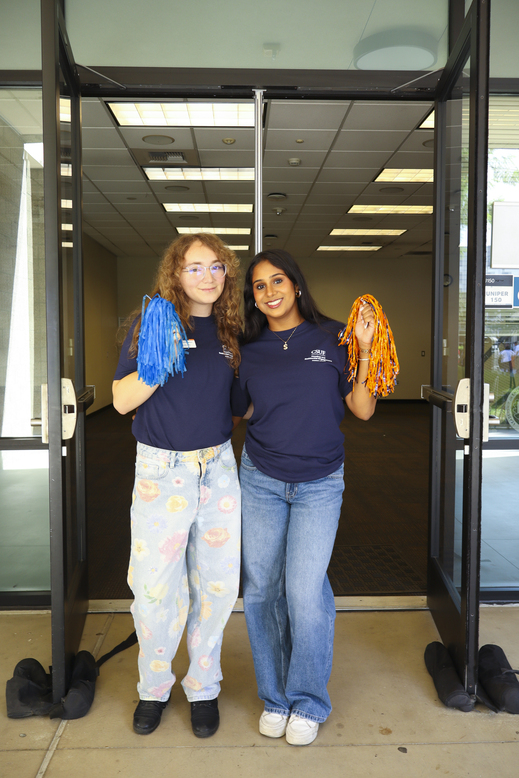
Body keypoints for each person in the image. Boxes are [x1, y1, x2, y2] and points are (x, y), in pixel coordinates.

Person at [232, 249, 377, 746]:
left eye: (278, 281)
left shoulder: (335, 336)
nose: (269, 292)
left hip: (319, 483)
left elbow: (361, 410)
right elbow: (242, 409)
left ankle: (309, 700)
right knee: (261, 591)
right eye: (259, 286)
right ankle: (275, 697)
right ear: (253, 296)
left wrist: (362, 347)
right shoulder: (247, 349)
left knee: (305, 592)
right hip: (261, 478)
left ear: (296, 285)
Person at [113, 233, 242, 738]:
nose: (207, 276)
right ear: (175, 273)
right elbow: (123, 401)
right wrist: (156, 363)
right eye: (195, 267)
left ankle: (203, 685)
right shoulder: (154, 321)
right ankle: (154, 686)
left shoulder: (232, 331)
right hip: (162, 470)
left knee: (216, 585)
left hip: (218, 468)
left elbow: (237, 403)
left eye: (216, 267)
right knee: (153, 589)